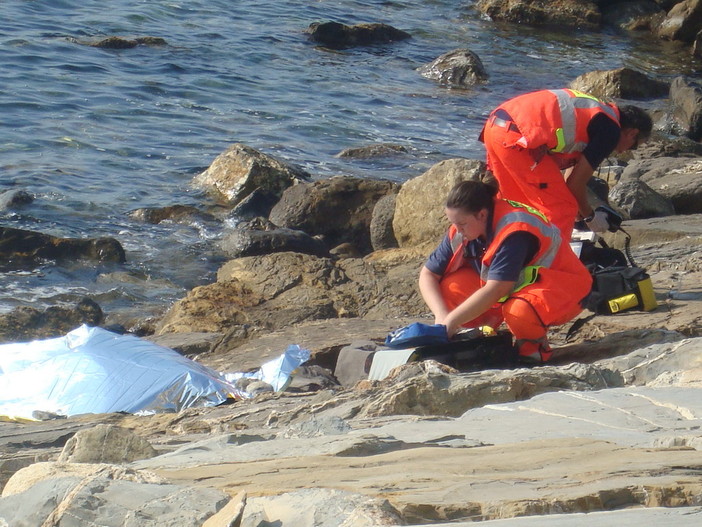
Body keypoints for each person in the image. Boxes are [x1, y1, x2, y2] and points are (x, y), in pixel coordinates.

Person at [418, 180, 593, 362]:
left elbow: (497, 288)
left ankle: (533, 350)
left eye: (462, 224)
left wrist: (451, 322)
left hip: (565, 289)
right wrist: (442, 316)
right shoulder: (462, 229)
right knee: (450, 289)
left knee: (519, 311)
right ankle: (489, 333)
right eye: (454, 224)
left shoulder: (515, 231)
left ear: (482, 215)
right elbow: (428, 275)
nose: (458, 230)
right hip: (517, 287)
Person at [480, 88, 652, 240]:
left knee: (511, 204)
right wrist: (590, 217)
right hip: (518, 139)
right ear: (631, 133)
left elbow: (571, 180)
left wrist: (581, 215)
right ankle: (550, 266)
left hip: (495, 125)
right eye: (635, 145)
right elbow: (575, 184)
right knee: (562, 209)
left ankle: (498, 255)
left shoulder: (596, 112)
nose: (625, 152)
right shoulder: (610, 131)